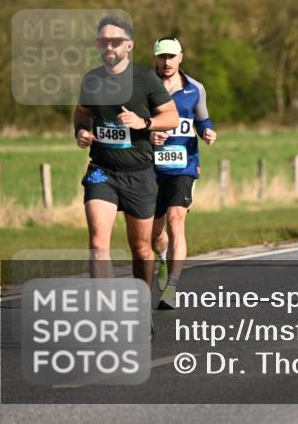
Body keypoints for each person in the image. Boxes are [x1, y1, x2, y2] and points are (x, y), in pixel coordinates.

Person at [74, 16, 178, 289]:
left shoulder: (145, 79)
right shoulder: (92, 79)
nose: (109, 46)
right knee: (98, 244)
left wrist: (143, 122)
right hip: (102, 171)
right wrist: (81, 131)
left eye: (116, 41)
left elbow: (171, 116)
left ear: (129, 45)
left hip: (139, 174)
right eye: (103, 41)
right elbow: (82, 113)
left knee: (141, 249)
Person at [149, 37, 217, 309]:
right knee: (155, 233)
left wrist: (207, 131)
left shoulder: (195, 88)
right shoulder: (144, 87)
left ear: (181, 57)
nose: (167, 62)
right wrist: (149, 135)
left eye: (171, 57)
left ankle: (172, 288)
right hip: (150, 167)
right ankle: (163, 260)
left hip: (184, 165)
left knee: (176, 221)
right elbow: (133, 124)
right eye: (162, 57)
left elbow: (202, 119)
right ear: (155, 58)